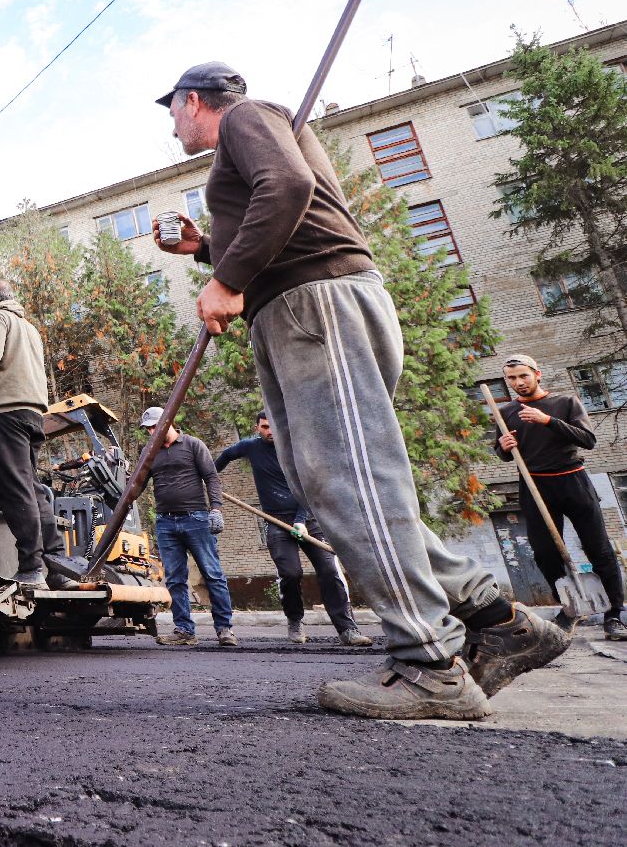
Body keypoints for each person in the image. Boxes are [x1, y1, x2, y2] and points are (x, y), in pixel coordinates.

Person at [153, 60, 566, 720]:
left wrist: (227, 277)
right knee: (341, 489)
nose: (170, 123)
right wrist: (210, 251)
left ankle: (431, 664)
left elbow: (286, 186)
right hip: (301, 311)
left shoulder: (248, 118)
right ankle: (497, 617)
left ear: (193, 99)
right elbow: (290, 208)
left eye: (170, 109)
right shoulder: (248, 139)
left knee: (352, 486)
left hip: (316, 309)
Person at [494, 354, 626, 639]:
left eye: (523, 376)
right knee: (544, 553)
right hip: (534, 485)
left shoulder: (565, 403)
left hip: (573, 480)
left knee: (599, 549)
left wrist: (547, 421)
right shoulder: (506, 412)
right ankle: (569, 607)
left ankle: (614, 615)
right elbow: (503, 454)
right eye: (511, 378)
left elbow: (588, 440)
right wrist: (503, 447)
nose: (517, 382)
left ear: (537, 374)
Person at [216, 411, 372, 646]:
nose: (270, 431)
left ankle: (347, 629)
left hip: (309, 519)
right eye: (265, 427)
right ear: (257, 428)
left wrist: (301, 520)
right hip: (276, 520)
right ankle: (295, 621)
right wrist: (208, 477)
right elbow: (224, 457)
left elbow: (307, 488)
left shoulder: (295, 450)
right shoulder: (250, 447)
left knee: (329, 571)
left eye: (273, 427)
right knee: (290, 573)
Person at [0, 278, 76, 590]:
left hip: (6, 410)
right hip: (32, 413)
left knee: (16, 490)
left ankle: (30, 568)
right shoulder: (28, 327)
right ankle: (56, 566)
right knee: (33, 487)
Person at [141, 406, 237, 647]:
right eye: (149, 428)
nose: (152, 431)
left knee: (213, 574)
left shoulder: (193, 445)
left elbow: (212, 477)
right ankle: (184, 630)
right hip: (165, 522)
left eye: (155, 426)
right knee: (174, 578)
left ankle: (224, 629)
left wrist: (215, 509)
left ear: (168, 422)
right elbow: (138, 484)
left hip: (196, 519)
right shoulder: (149, 452)